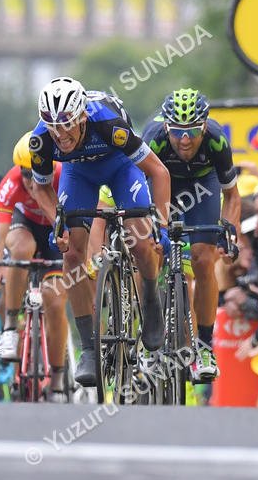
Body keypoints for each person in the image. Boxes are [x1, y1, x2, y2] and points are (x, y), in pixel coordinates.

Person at [29, 77, 171, 387]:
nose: (60, 132)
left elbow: (158, 171)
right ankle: (90, 350)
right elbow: (39, 187)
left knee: (140, 238)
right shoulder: (41, 140)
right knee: (72, 255)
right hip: (78, 174)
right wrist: (59, 223)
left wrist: (162, 224)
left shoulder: (108, 124)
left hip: (121, 166)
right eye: (51, 123)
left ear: (81, 116)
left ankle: (149, 297)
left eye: (66, 122)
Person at [142, 88, 241, 381]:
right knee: (149, 252)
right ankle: (146, 328)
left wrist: (229, 232)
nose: (185, 140)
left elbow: (232, 196)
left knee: (202, 259)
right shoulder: (155, 138)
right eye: (178, 132)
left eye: (193, 132)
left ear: (204, 126)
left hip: (203, 187)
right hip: (164, 185)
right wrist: (148, 227)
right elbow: (137, 186)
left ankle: (205, 346)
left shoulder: (216, 139)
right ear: (167, 127)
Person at [0, 131, 69, 401]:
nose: (29, 180)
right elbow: (1, 232)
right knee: (20, 249)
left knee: (55, 300)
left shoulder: (63, 176)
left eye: (34, 173)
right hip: (25, 227)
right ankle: (10, 327)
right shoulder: (11, 182)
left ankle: (58, 377)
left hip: (55, 234)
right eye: (24, 173)